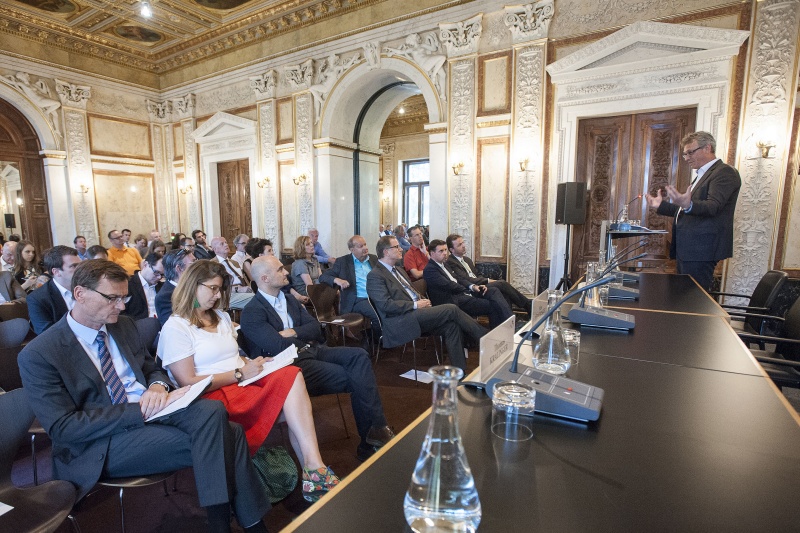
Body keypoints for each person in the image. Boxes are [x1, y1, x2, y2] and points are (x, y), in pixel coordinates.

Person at [18, 259, 271, 532]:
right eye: (112, 298)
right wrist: (140, 409)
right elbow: (63, 428)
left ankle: (224, 525)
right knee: (227, 435)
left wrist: (158, 387)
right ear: (80, 294)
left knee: (212, 412)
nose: (123, 306)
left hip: (154, 411)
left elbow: (153, 369)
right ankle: (244, 525)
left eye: (124, 297)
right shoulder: (40, 353)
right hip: (100, 443)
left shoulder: (122, 325)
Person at [157, 260, 340, 502]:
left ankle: (313, 466)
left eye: (220, 289)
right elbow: (189, 381)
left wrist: (254, 364)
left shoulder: (221, 317)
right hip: (213, 395)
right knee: (294, 402)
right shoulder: (177, 326)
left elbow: (234, 357)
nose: (217, 295)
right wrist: (239, 374)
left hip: (242, 381)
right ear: (192, 286)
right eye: (212, 288)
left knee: (290, 373)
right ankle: (314, 474)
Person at [241, 255, 394, 461]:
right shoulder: (252, 312)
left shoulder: (288, 299)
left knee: (358, 355)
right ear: (265, 278)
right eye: (279, 270)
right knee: (355, 377)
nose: (286, 272)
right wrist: (301, 336)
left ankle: (376, 430)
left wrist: (293, 331)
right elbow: (276, 346)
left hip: (311, 351)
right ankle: (371, 439)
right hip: (290, 367)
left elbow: (316, 329)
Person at [367, 236, 488, 371]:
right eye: (396, 247)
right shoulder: (375, 275)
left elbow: (411, 292)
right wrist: (415, 305)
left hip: (416, 313)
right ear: (386, 252)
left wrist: (422, 300)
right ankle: (486, 338)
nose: (401, 249)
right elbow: (386, 305)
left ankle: (459, 372)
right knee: (451, 309)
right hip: (400, 320)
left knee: (451, 326)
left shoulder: (399, 270)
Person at [644, 131, 741, 290]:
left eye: (690, 152)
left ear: (708, 148)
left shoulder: (724, 172)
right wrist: (660, 205)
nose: (687, 158)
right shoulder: (702, 175)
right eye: (684, 154)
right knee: (683, 297)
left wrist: (688, 205)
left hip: (701, 250)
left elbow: (712, 206)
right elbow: (688, 209)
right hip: (689, 250)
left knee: (693, 300)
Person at [424, 240, 512, 328]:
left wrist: (473, 286)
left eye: (445, 250)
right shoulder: (430, 269)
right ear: (432, 253)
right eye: (441, 251)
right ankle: (504, 329)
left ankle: (509, 323)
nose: (445, 253)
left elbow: (459, 279)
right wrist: (469, 289)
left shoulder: (444, 264)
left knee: (494, 290)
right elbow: (450, 285)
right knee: (492, 305)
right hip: (453, 300)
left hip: (462, 293)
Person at [446, 234, 531, 316]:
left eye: (463, 242)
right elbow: (467, 279)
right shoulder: (450, 262)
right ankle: (527, 305)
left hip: (482, 285)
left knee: (504, 293)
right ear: (452, 249)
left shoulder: (467, 260)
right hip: (473, 289)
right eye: (460, 245)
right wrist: (488, 280)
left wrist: (485, 281)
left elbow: (477, 275)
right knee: (501, 283)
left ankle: (507, 321)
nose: (463, 246)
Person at [319, 235, 381, 339]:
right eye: (361, 246)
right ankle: (376, 342)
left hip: (377, 296)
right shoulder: (343, 262)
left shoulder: (373, 259)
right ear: (352, 250)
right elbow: (323, 277)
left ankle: (384, 338)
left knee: (391, 309)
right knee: (377, 315)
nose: (365, 248)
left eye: (365, 244)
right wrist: (338, 280)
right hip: (358, 299)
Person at [27, 246, 81, 335]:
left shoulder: (91, 288)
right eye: (74, 266)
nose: (81, 270)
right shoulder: (38, 299)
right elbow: (47, 335)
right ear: (56, 272)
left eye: (81, 265)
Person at [155, 248, 196, 327]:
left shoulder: (193, 285)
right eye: (193, 263)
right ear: (179, 268)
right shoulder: (165, 297)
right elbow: (173, 327)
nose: (197, 267)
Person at [211, 236, 254, 309]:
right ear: (215, 249)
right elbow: (216, 287)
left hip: (243, 291)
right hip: (227, 294)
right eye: (222, 244)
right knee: (256, 299)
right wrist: (237, 289)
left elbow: (243, 279)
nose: (226, 245)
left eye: (226, 242)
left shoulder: (234, 262)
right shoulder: (212, 264)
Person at [122, 252, 164, 320]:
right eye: (156, 272)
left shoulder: (162, 287)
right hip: (138, 326)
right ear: (145, 264)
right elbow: (122, 315)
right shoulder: (128, 284)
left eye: (162, 275)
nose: (159, 277)